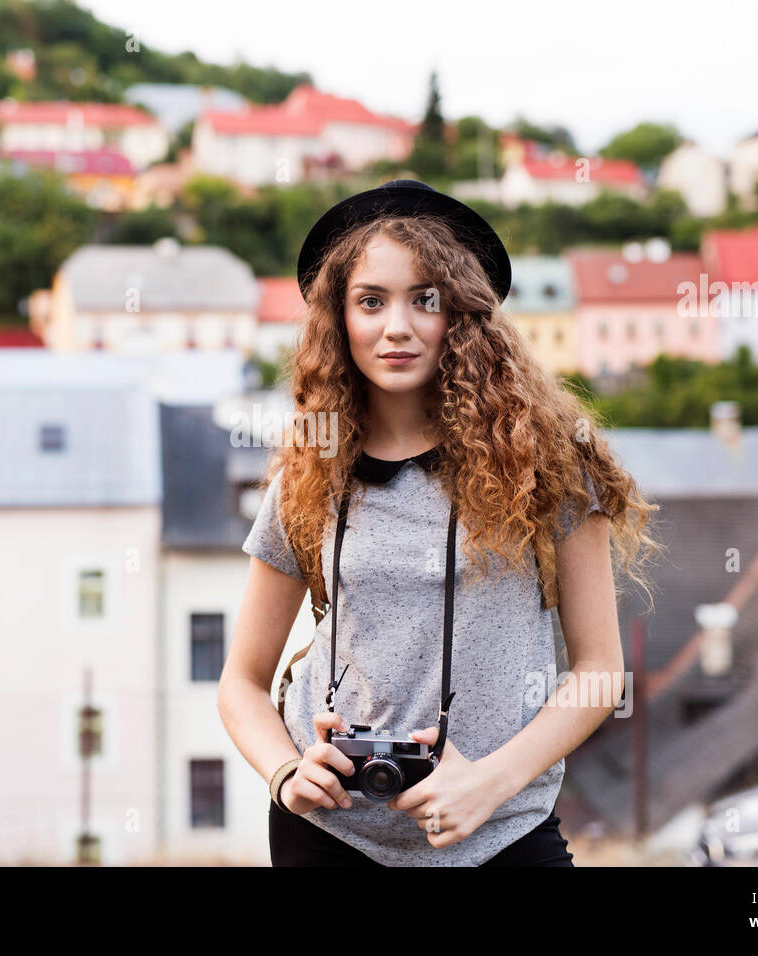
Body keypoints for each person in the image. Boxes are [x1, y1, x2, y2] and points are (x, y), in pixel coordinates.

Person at [218, 180, 661, 866]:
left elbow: (601, 673)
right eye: (371, 301)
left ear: (462, 314)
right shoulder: (307, 478)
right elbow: (242, 682)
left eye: (424, 299)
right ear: (340, 319)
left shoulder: (548, 471)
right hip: (331, 836)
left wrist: (491, 783)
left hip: (501, 828)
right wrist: (285, 774)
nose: (397, 326)